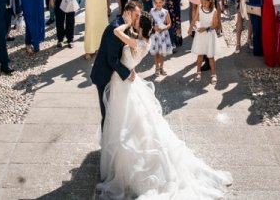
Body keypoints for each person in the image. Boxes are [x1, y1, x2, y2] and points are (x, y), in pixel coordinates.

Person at [97, 10, 231, 199]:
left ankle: (126, 163)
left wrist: (126, 24)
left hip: (124, 84)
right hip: (129, 81)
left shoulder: (136, 41)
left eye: (136, 21)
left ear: (139, 26)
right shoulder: (145, 41)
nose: (133, 22)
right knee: (136, 122)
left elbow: (117, 32)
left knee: (124, 120)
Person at [91, 0, 140, 128]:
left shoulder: (125, 26)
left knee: (116, 112)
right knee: (107, 114)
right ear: (128, 13)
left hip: (115, 75)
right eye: (136, 15)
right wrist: (128, 73)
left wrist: (131, 67)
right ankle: (105, 144)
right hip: (104, 76)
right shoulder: (115, 28)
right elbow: (112, 60)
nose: (137, 19)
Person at [191, 0, 221, 84]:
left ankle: (213, 74)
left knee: (210, 56)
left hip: (209, 35)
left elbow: (215, 25)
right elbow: (195, 19)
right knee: (200, 54)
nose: (203, 4)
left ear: (210, 2)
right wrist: (191, 27)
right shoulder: (200, 8)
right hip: (200, 35)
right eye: (202, 2)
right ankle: (198, 71)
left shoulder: (214, 11)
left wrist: (205, 29)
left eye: (205, 3)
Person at [149, 0, 172, 76]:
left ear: (163, 2)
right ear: (154, 2)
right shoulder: (151, 11)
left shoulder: (165, 12)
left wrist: (165, 28)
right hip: (155, 34)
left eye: (160, 2)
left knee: (162, 52)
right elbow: (149, 22)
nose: (158, 4)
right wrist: (153, 27)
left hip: (163, 35)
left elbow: (169, 23)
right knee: (156, 52)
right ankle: (157, 68)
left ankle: (162, 67)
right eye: (156, 2)